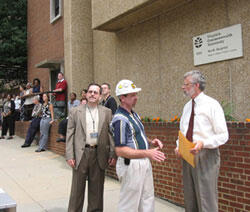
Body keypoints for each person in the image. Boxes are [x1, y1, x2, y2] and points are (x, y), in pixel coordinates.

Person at [174, 70, 229, 212]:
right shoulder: (187, 107)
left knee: (206, 200)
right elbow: (183, 132)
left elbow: (223, 135)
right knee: (190, 200)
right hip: (187, 157)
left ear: (196, 85)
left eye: (186, 84)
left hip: (206, 156)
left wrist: (203, 143)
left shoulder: (212, 105)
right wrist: (179, 146)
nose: (183, 87)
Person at [110, 79, 166, 212]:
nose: (136, 97)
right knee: (129, 205)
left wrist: (151, 142)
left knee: (147, 200)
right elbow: (120, 150)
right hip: (131, 165)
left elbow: (135, 135)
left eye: (136, 94)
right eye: (132, 95)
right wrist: (148, 153)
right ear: (122, 98)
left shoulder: (133, 114)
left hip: (142, 162)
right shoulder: (120, 120)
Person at [66, 83, 116, 212]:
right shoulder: (75, 111)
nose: (92, 94)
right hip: (80, 154)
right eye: (90, 92)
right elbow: (70, 134)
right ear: (86, 94)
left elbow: (111, 134)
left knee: (97, 192)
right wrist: (70, 155)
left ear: (100, 96)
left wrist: (112, 154)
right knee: (77, 191)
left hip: (99, 154)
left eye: (96, 92)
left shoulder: (107, 112)